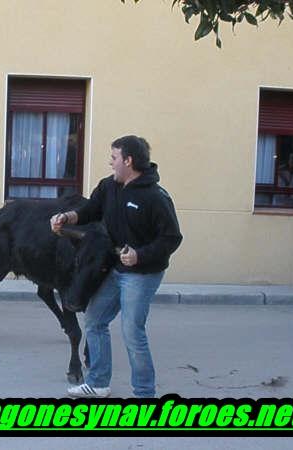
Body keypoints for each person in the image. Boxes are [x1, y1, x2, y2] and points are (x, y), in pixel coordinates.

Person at [50, 135, 182, 398]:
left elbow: (172, 238)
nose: (110, 163)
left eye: (114, 157)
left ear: (128, 161)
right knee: (95, 320)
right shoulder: (109, 187)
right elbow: (89, 211)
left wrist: (139, 255)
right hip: (115, 268)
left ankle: (145, 394)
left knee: (132, 331)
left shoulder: (156, 197)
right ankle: (98, 383)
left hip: (143, 273)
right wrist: (66, 217)